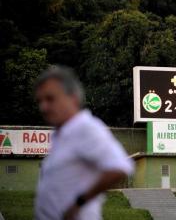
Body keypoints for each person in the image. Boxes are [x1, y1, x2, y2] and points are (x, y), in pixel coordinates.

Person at [34, 65, 134, 220]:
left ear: (73, 98)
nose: (43, 107)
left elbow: (120, 167)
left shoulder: (85, 127)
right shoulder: (60, 134)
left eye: (50, 99)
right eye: (40, 101)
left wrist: (79, 202)